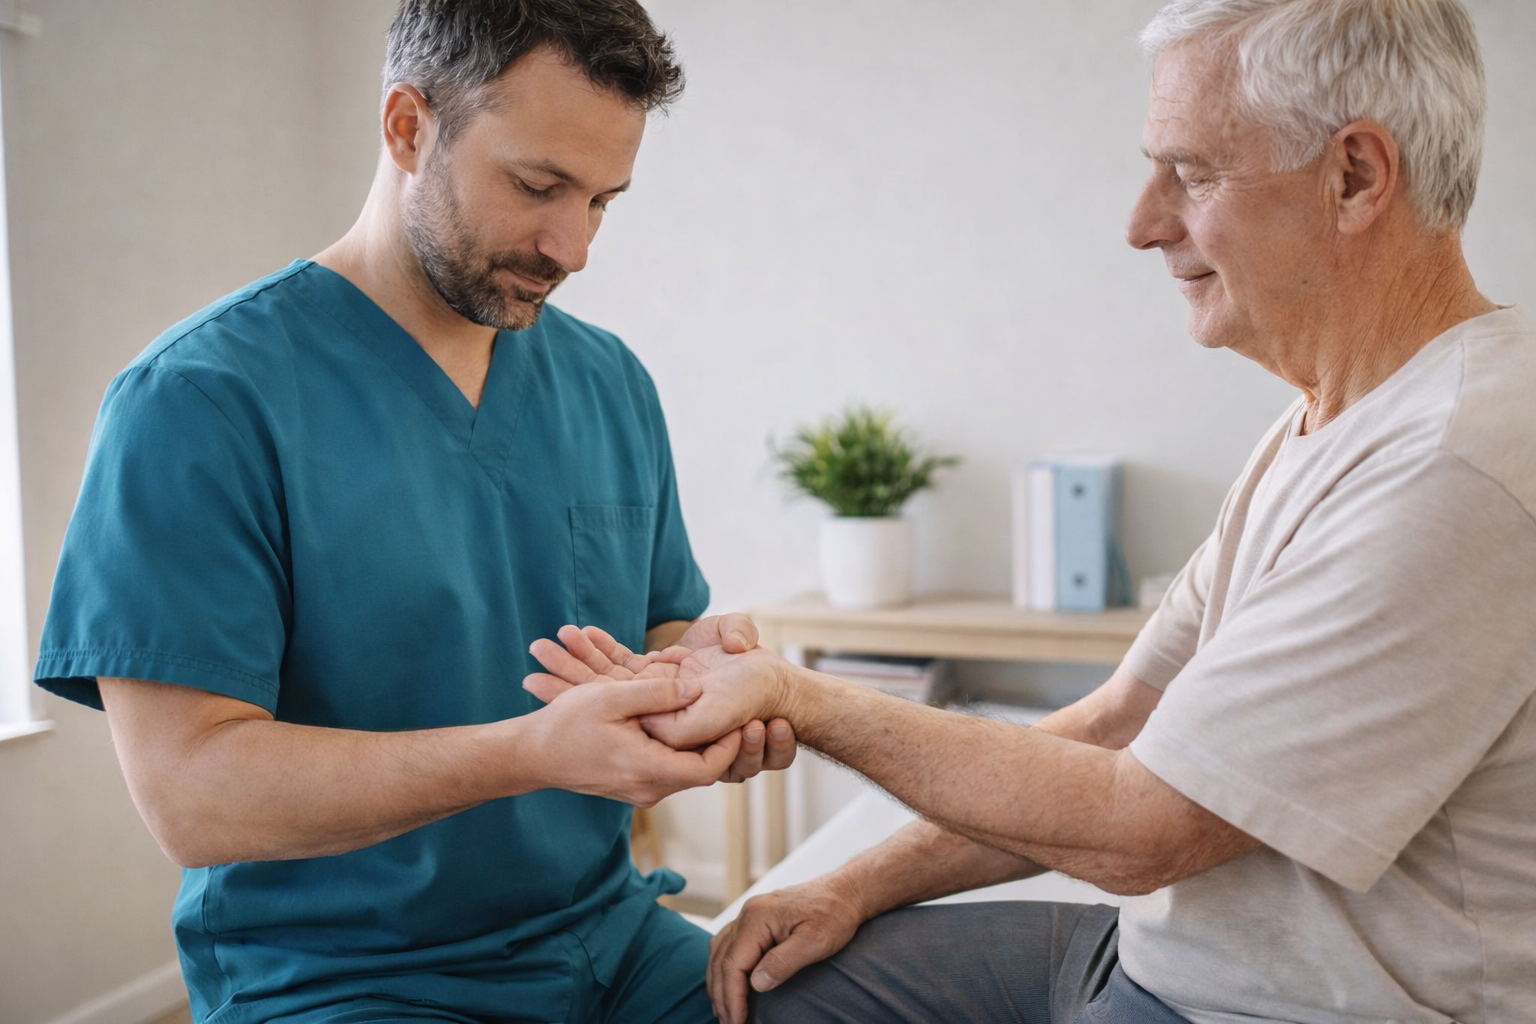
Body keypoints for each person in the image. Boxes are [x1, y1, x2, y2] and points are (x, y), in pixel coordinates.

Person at [528, 1, 1536, 1021]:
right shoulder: (1332, 419)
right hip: (1157, 958)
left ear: (1355, 177)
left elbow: (1146, 829)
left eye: (1189, 173)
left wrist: (800, 696)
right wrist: (852, 883)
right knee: (767, 989)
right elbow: (1116, 725)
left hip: (1271, 1007)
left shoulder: (1457, 464)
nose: (1143, 222)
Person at [33, 3, 795, 1023]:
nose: (572, 247)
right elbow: (190, 791)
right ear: (406, 127)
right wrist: (527, 751)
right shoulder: (198, 402)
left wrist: (703, 669)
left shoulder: (609, 381)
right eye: (538, 186)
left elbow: (656, 625)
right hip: (346, 976)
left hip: (608, 940)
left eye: (604, 202)